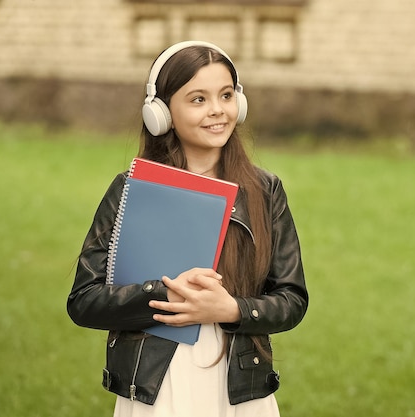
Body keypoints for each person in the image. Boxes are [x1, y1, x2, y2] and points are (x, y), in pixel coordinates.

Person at [67, 40, 308, 417]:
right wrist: (164, 295)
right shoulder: (131, 189)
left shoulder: (266, 190)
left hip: (241, 390)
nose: (217, 111)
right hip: (157, 386)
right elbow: (84, 301)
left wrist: (231, 309)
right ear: (161, 113)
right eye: (198, 99)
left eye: (226, 95)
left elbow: (292, 299)